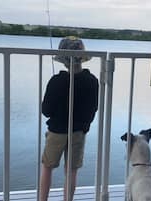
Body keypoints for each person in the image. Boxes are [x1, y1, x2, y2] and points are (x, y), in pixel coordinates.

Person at [39, 36, 99, 201]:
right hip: (78, 131)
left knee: (47, 166)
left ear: (63, 60)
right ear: (82, 58)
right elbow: (93, 109)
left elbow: (46, 110)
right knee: (71, 170)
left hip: (56, 131)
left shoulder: (56, 81)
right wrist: (84, 124)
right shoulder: (92, 81)